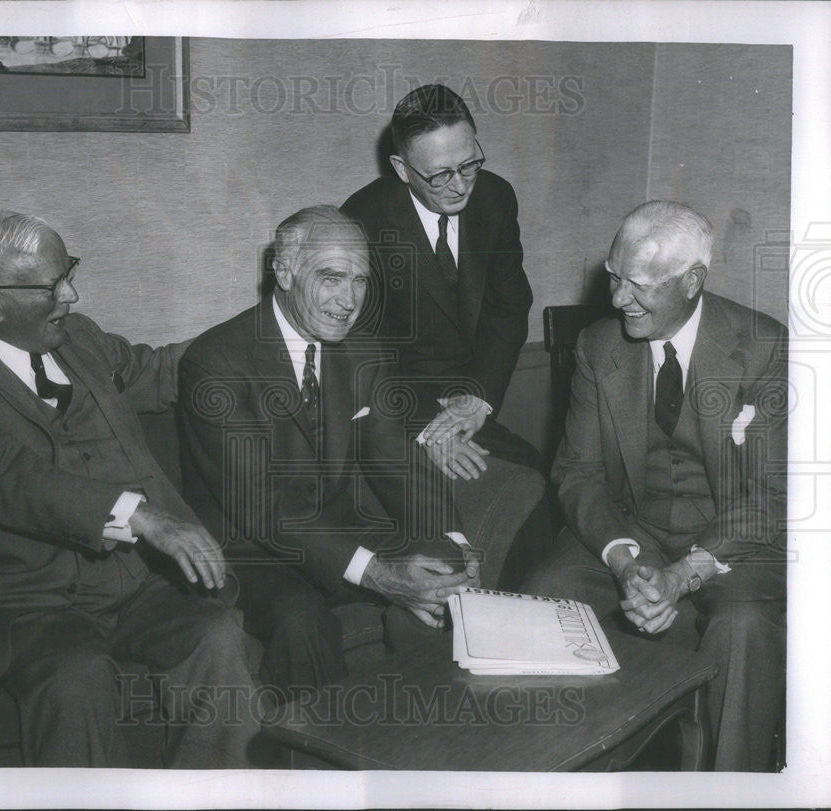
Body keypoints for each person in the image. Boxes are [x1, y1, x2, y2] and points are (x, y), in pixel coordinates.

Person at [0, 211, 261, 768]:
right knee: (76, 676)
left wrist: (276, 323)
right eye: (53, 285)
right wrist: (139, 516)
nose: (73, 294)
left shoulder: (77, 340)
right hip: (12, 602)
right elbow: (3, 475)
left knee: (216, 638)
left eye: (69, 272)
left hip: (129, 587)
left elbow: (162, 371)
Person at [178, 205, 519, 695]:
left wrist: (456, 544)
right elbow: (264, 509)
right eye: (332, 278)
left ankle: (433, 729)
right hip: (250, 549)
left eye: (360, 280)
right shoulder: (216, 363)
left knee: (444, 570)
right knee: (301, 620)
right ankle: (335, 755)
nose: (349, 301)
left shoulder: (364, 351)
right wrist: (379, 574)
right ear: (284, 270)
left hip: (337, 528)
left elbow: (398, 462)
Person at [522, 201, 787, 771]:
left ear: (693, 281)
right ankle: (569, 775)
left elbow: (770, 497)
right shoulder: (599, 345)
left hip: (731, 545)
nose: (618, 300)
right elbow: (578, 472)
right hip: (632, 527)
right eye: (614, 278)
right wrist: (623, 559)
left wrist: (684, 573)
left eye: (638, 286)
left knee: (743, 628)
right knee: (547, 589)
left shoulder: (764, 347)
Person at [341, 83, 547, 587]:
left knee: (544, 488)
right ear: (401, 170)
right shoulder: (363, 220)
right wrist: (424, 431)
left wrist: (477, 400)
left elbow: (508, 307)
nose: (460, 186)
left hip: (469, 398)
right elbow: (358, 351)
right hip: (395, 414)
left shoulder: (496, 198)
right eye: (439, 175)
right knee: (452, 521)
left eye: (470, 163)